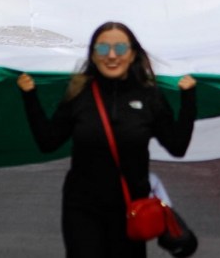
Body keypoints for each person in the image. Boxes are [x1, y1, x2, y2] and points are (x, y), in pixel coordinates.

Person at [17, 22, 196, 257]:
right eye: (102, 49)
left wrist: (189, 99)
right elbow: (48, 142)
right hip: (83, 207)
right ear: (93, 55)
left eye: (120, 49)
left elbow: (177, 146)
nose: (111, 56)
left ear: (132, 54)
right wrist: (29, 97)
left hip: (130, 207)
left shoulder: (149, 97)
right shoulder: (79, 94)